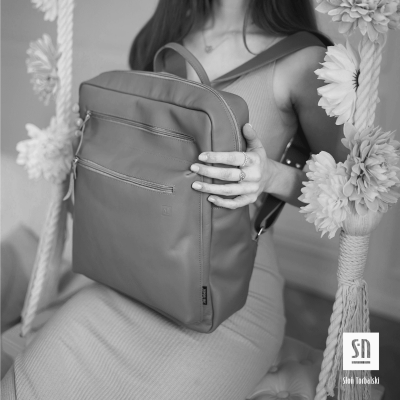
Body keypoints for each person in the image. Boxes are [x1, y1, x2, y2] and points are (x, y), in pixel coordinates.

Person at [2, 0, 346, 399]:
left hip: (231, 295)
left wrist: (271, 176)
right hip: (136, 274)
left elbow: (352, 198)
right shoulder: (166, 39)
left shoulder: (306, 60)